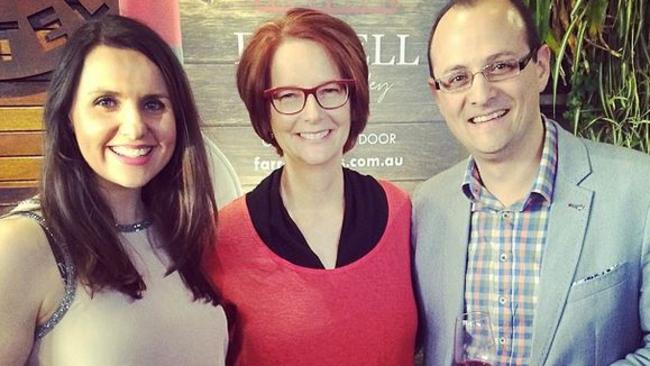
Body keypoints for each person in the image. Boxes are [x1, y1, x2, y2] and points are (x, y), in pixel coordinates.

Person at [412, 0, 650, 365]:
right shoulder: (425, 208)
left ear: (540, 67)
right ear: (438, 94)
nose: (480, 94)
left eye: (500, 66)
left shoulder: (639, 190)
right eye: (458, 78)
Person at [0, 15, 228, 365]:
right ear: (68, 117)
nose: (135, 127)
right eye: (106, 102)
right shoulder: (22, 244)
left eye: (153, 103)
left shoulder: (186, 234)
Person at [203, 7, 417, 366]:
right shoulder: (223, 236)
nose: (313, 114)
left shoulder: (401, 212)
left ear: (355, 99)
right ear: (264, 111)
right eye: (288, 96)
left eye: (331, 90)